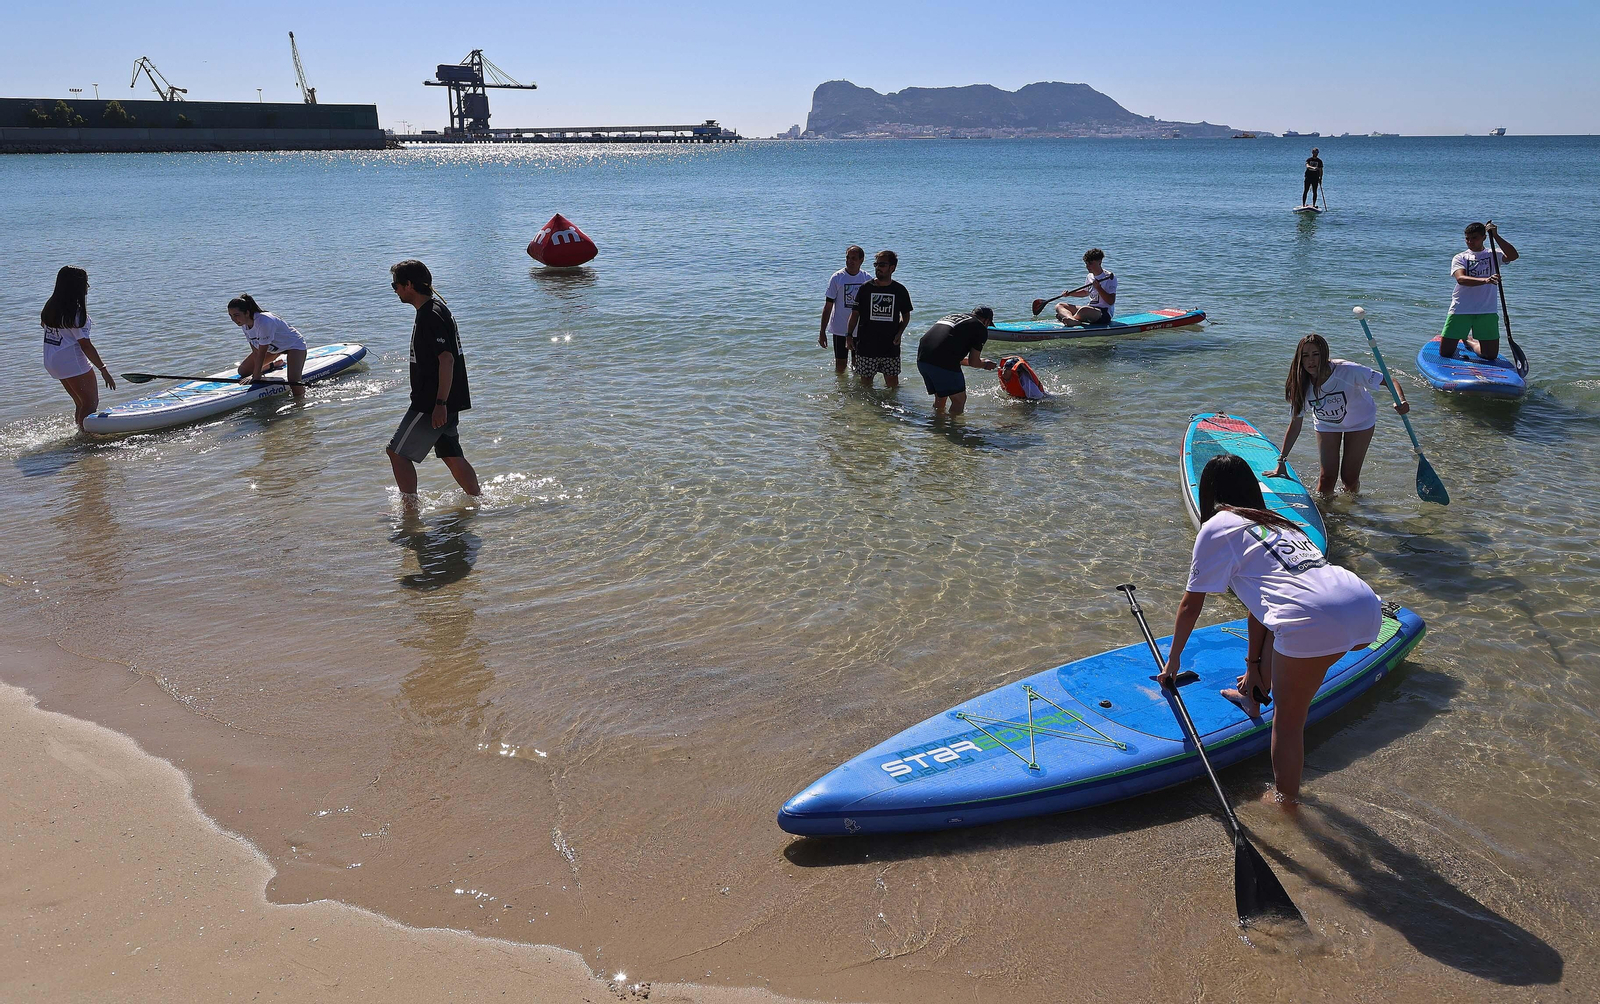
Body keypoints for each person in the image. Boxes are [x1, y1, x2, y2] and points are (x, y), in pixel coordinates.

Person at [1164, 453, 1382, 806]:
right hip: (1364, 605)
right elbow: (1263, 609)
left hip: (1313, 618)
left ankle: (1286, 804)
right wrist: (1253, 667)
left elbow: (1191, 604)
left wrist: (1172, 662)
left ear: (1209, 493)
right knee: (1287, 648)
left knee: (1288, 721)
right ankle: (1253, 696)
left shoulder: (1217, 525)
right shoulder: (1279, 522)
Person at [1267, 333, 1409, 495]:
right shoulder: (1301, 384)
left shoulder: (1348, 370)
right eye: (1305, 356)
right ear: (1300, 359)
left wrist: (1401, 401)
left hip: (1360, 422)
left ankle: (1352, 509)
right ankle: (1326, 515)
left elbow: (1390, 381)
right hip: (1326, 424)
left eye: (1316, 355)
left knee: (1349, 478)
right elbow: (1295, 425)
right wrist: (1281, 460)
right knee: (1326, 478)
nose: (1311, 361)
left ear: (1324, 355)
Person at [386, 260, 481, 502]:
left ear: (409, 285)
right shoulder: (438, 310)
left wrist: (440, 403)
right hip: (445, 400)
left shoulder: (431, 315)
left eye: (395, 285)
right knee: (450, 454)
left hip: (431, 402)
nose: (395, 290)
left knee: (396, 452)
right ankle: (478, 500)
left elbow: (447, 360)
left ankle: (409, 510)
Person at [39, 265, 115, 430]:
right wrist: (103, 369)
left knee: (80, 402)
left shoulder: (50, 307)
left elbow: (43, 324)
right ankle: (85, 437)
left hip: (53, 361)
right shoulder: (76, 314)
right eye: (85, 283)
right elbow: (86, 346)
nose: (87, 287)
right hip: (71, 362)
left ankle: (79, 433)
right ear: (76, 287)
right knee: (90, 403)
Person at [1441, 222, 1518, 362]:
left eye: (1474, 238)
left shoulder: (1494, 254)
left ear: (1484, 237)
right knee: (1445, 353)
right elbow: (1461, 279)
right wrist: (1486, 280)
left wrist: (1495, 235)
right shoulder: (1461, 257)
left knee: (1490, 356)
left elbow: (1513, 256)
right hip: (1461, 309)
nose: (1470, 242)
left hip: (1487, 310)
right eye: (1467, 238)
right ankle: (1463, 337)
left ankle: (1468, 341)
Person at [845, 250, 913, 388]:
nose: (877, 268)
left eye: (882, 264)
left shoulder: (899, 290)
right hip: (866, 346)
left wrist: (900, 333)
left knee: (893, 386)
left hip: (890, 347)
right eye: (876, 264)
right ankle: (867, 411)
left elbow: (906, 316)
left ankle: (891, 409)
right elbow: (855, 314)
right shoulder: (865, 288)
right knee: (865, 387)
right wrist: (849, 336)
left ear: (892, 268)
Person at [227, 293, 308, 403]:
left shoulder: (264, 321)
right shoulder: (244, 323)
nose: (233, 319)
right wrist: (255, 373)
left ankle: (300, 405)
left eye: (236, 315)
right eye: (231, 316)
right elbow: (256, 351)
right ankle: (274, 364)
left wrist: (256, 375)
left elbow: (262, 353)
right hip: (273, 349)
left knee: (293, 381)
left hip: (294, 346)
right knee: (243, 371)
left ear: (247, 313)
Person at [915, 307, 998, 414]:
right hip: (941, 362)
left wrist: (981, 362)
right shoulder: (980, 327)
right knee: (959, 400)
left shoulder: (953, 317)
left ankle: (937, 424)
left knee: (941, 396)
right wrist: (985, 365)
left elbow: (947, 353)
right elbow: (974, 362)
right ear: (986, 321)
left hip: (923, 359)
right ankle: (953, 429)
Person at [819, 245, 872, 375]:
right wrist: (822, 331)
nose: (850, 261)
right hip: (840, 329)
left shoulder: (867, 278)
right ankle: (841, 390)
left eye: (853, 258)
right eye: (848, 258)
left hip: (859, 330)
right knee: (841, 365)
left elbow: (871, 307)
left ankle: (856, 392)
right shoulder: (837, 277)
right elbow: (828, 306)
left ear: (861, 260)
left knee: (858, 364)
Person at [1054, 249, 1116, 326]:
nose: (1087, 266)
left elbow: (1111, 301)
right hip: (1091, 309)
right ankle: (1072, 319)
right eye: (1086, 263)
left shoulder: (1109, 277)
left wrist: (1098, 288)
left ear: (1099, 262)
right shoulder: (1089, 276)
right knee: (1059, 305)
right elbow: (1085, 292)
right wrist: (1070, 294)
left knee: (1084, 309)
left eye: (1090, 263)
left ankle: (1069, 318)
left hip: (1104, 313)